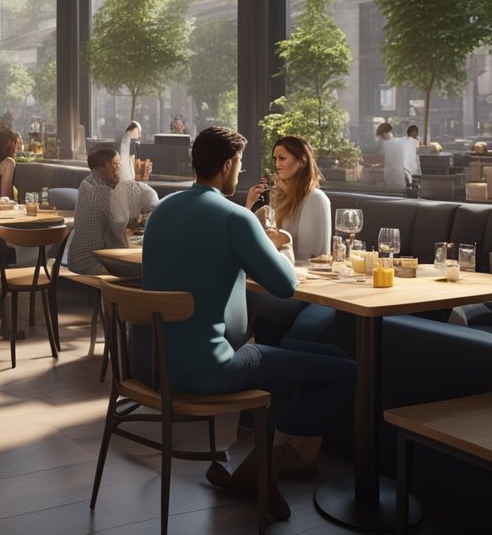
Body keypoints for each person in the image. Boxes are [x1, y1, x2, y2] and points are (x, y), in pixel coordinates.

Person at [142, 127, 355, 515]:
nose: (240, 172)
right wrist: (286, 246)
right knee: (345, 370)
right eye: (239, 164)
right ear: (227, 165)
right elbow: (286, 286)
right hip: (217, 367)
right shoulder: (235, 217)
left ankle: (248, 455)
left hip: (159, 366)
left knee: (309, 351)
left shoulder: (163, 210)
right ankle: (262, 461)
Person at [244, 136, 334, 347]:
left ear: (301, 161)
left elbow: (309, 259)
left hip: (300, 291)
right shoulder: (281, 198)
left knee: (235, 287)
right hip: (278, 282)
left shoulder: (316, 199)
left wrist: (282, 242)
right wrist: (249, 206)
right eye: (275, 158)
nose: (277, 164)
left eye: (282, 158)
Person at [66, 146, 159, 275]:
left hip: (95, 256)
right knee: (146, 272)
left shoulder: (91, 183)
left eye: (119, 164)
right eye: (115, 164)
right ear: (99, 169)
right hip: (90, 262)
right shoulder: (96, 191)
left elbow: (143, 192)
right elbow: (118, 221)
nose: (119, 169)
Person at [378, 122, 408, 189]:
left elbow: (381, 157)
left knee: (393, 191)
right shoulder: (397, 142)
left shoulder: (387, 144)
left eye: (380, 137)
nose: (380, 139)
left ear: (384, 134)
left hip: (391, 173)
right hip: (398, 172)